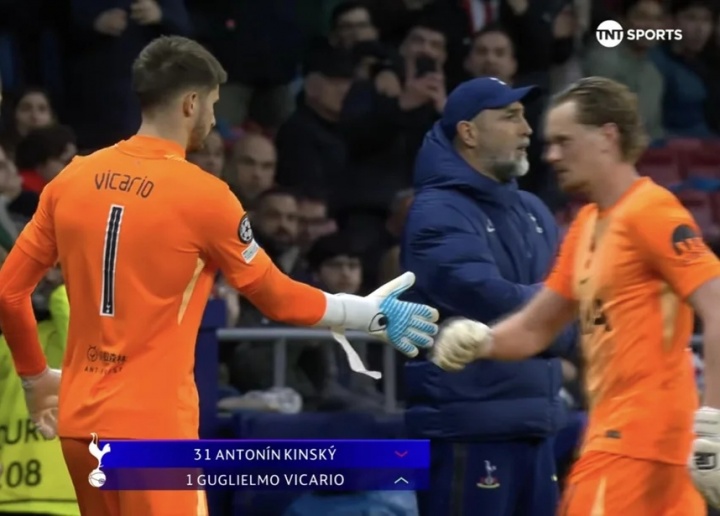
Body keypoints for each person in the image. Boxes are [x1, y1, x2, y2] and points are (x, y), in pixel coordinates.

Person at [0, 36, 439, 516]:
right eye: (211, 104)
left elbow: (8, 292)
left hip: (80, 424)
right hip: (153, 430)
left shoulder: (71, 179)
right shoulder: (205, 196)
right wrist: (369, 314)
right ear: (191, 102)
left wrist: (34, 378)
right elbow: (277, 297)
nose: (212, 120)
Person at [431, 76, 719, 515]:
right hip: (638, 443)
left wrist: (713, 425)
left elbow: (717, 307)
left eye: (564, 141)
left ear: (607, 136)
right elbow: (535, 327)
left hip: (636, 445)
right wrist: (481, 341)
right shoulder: (586, 225)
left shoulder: (652, 212)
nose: (550, 155)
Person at [400, 77, 577, 516]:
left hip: (536, 425)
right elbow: (487, 300)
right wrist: (559, 314)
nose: (527, 130)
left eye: (525, 117)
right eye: (510, 117)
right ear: (469, 132)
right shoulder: (437, 209)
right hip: (466, 427)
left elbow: (567, 303)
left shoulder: (534, 210)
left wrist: (556, 314)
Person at [0, 264, 79, 516]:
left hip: (69, 500)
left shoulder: (82, 332)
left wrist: (62, 291)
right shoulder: (10, 340)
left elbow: (85, 347)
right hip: (10, 496)